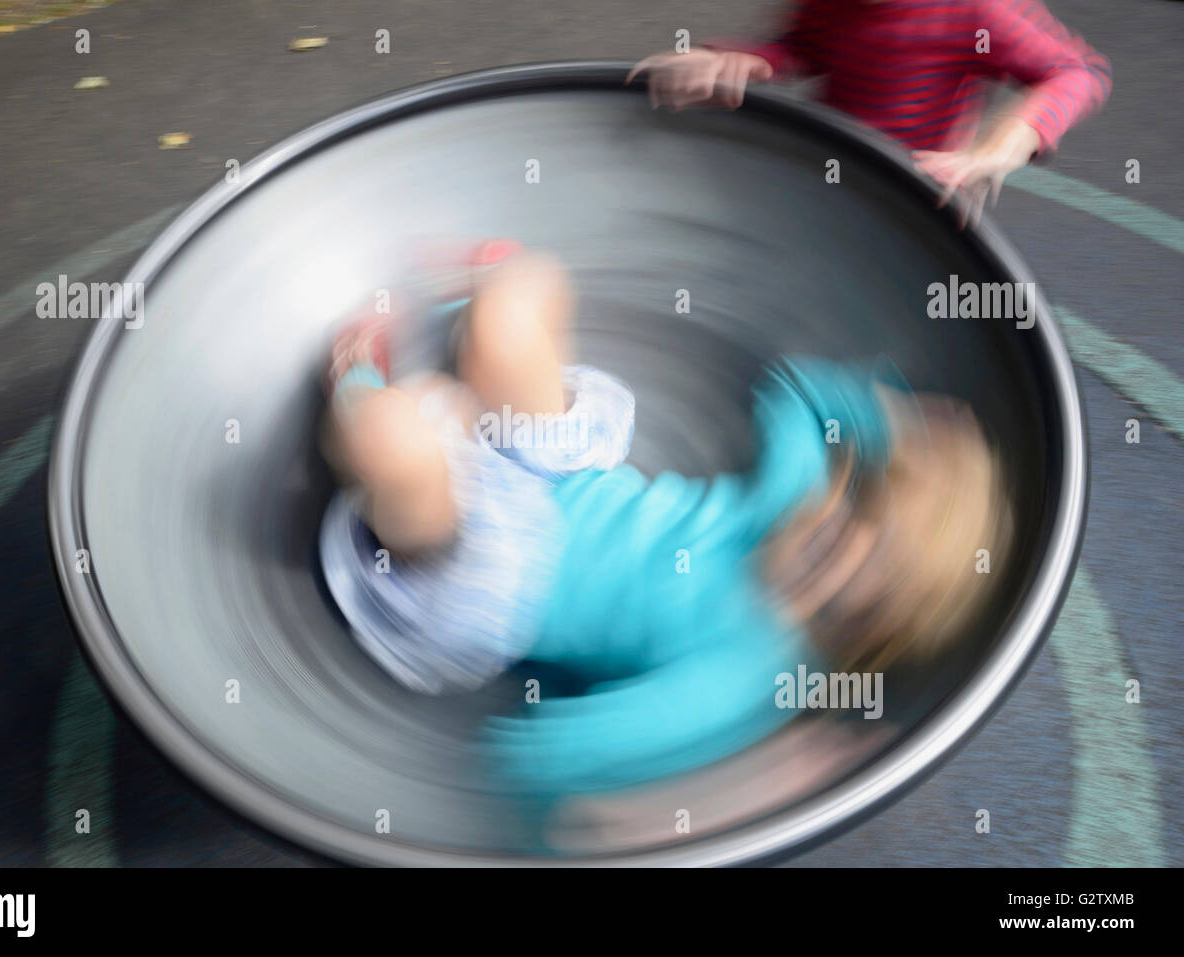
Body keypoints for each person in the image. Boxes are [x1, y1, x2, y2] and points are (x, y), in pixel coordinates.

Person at [319, 244, 1012, 795]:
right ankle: (463, 338)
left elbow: (545, 754)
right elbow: (795, 390)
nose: (846, 541)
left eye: (877, 569)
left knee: (394, 440)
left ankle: (358, 383)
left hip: (486, 578)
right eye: (861, 509)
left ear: (875, 626)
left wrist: (739, 785)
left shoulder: (750, 668)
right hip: (560, 473)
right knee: (523, 295)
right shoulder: (795, 500)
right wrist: (888, 418)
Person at [628, 0, 1111, 226]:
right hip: (835, 173)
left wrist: (1003, 143)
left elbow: (1078, 72)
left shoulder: (977, 10)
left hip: (918, 197)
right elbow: (809, 46)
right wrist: (752, 61)